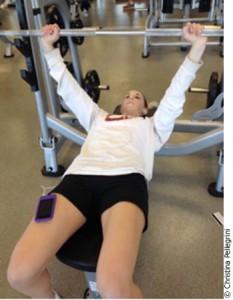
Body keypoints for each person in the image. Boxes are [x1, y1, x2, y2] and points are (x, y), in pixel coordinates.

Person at [7, 22, 207, 298]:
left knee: (113, 287)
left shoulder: (152, 126)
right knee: (19, 273)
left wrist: (196, 49)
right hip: (77, 181)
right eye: (127, 95)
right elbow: (70, 90)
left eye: (137, 97)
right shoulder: (99, 118)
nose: (131, 97)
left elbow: (174, 96)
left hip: (125, 185)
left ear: (146, 108)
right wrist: (48, 50)